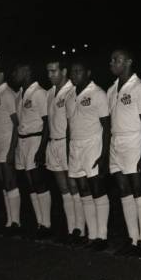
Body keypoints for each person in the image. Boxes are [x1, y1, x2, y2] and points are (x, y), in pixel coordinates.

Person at [107, 49, 141, 258]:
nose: (112, 63)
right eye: (112, 60)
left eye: (116, 60)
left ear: (128, 62)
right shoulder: (111, 90)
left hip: (134, 141)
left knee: (138, 189)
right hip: (116, 143)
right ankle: (133, 239)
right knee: (124, 190)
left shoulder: (138, 87)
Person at [66, 59, 111, 251]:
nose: (75, 74)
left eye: (79, 71)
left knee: (97, 189)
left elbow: (107, 126)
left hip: (93, 145)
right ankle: (91, 235)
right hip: (75, 147)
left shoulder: (98, 94)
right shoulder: (69, 96)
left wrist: (104, 154)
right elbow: (70, 125)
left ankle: (102, 236)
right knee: (82, 189)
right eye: (73, 71)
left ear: (88, 73)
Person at [46, 59, 85, 244]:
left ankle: (81, 229)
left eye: (54, 71)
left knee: (74, 187)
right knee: (63, 189)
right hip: (53, 144)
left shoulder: (71, 90)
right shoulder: (49, 93)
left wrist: (70, 147)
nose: (50, 75)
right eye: (48, 72)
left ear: (63, 71)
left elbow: (73, 123)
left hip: (67, 143)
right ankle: (72, 229)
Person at [12, 63, 52, 238]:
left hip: (35, 139)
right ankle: (39, 223)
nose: (14, 74)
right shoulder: (20, 94)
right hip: (23, 142)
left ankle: (47, 224)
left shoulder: (39, 93)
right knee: (30, 184)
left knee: (38, 181)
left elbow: (47, 123)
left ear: (27, 70)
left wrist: (41, 148)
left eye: (17, 70)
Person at [0, 63, 21, 235]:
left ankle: (16, 222)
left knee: (10, 182)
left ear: (0, 74)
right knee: (3, 184)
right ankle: (9, 221)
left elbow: (17, 124)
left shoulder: (8, 94)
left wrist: (12, 149)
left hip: (7, 144)